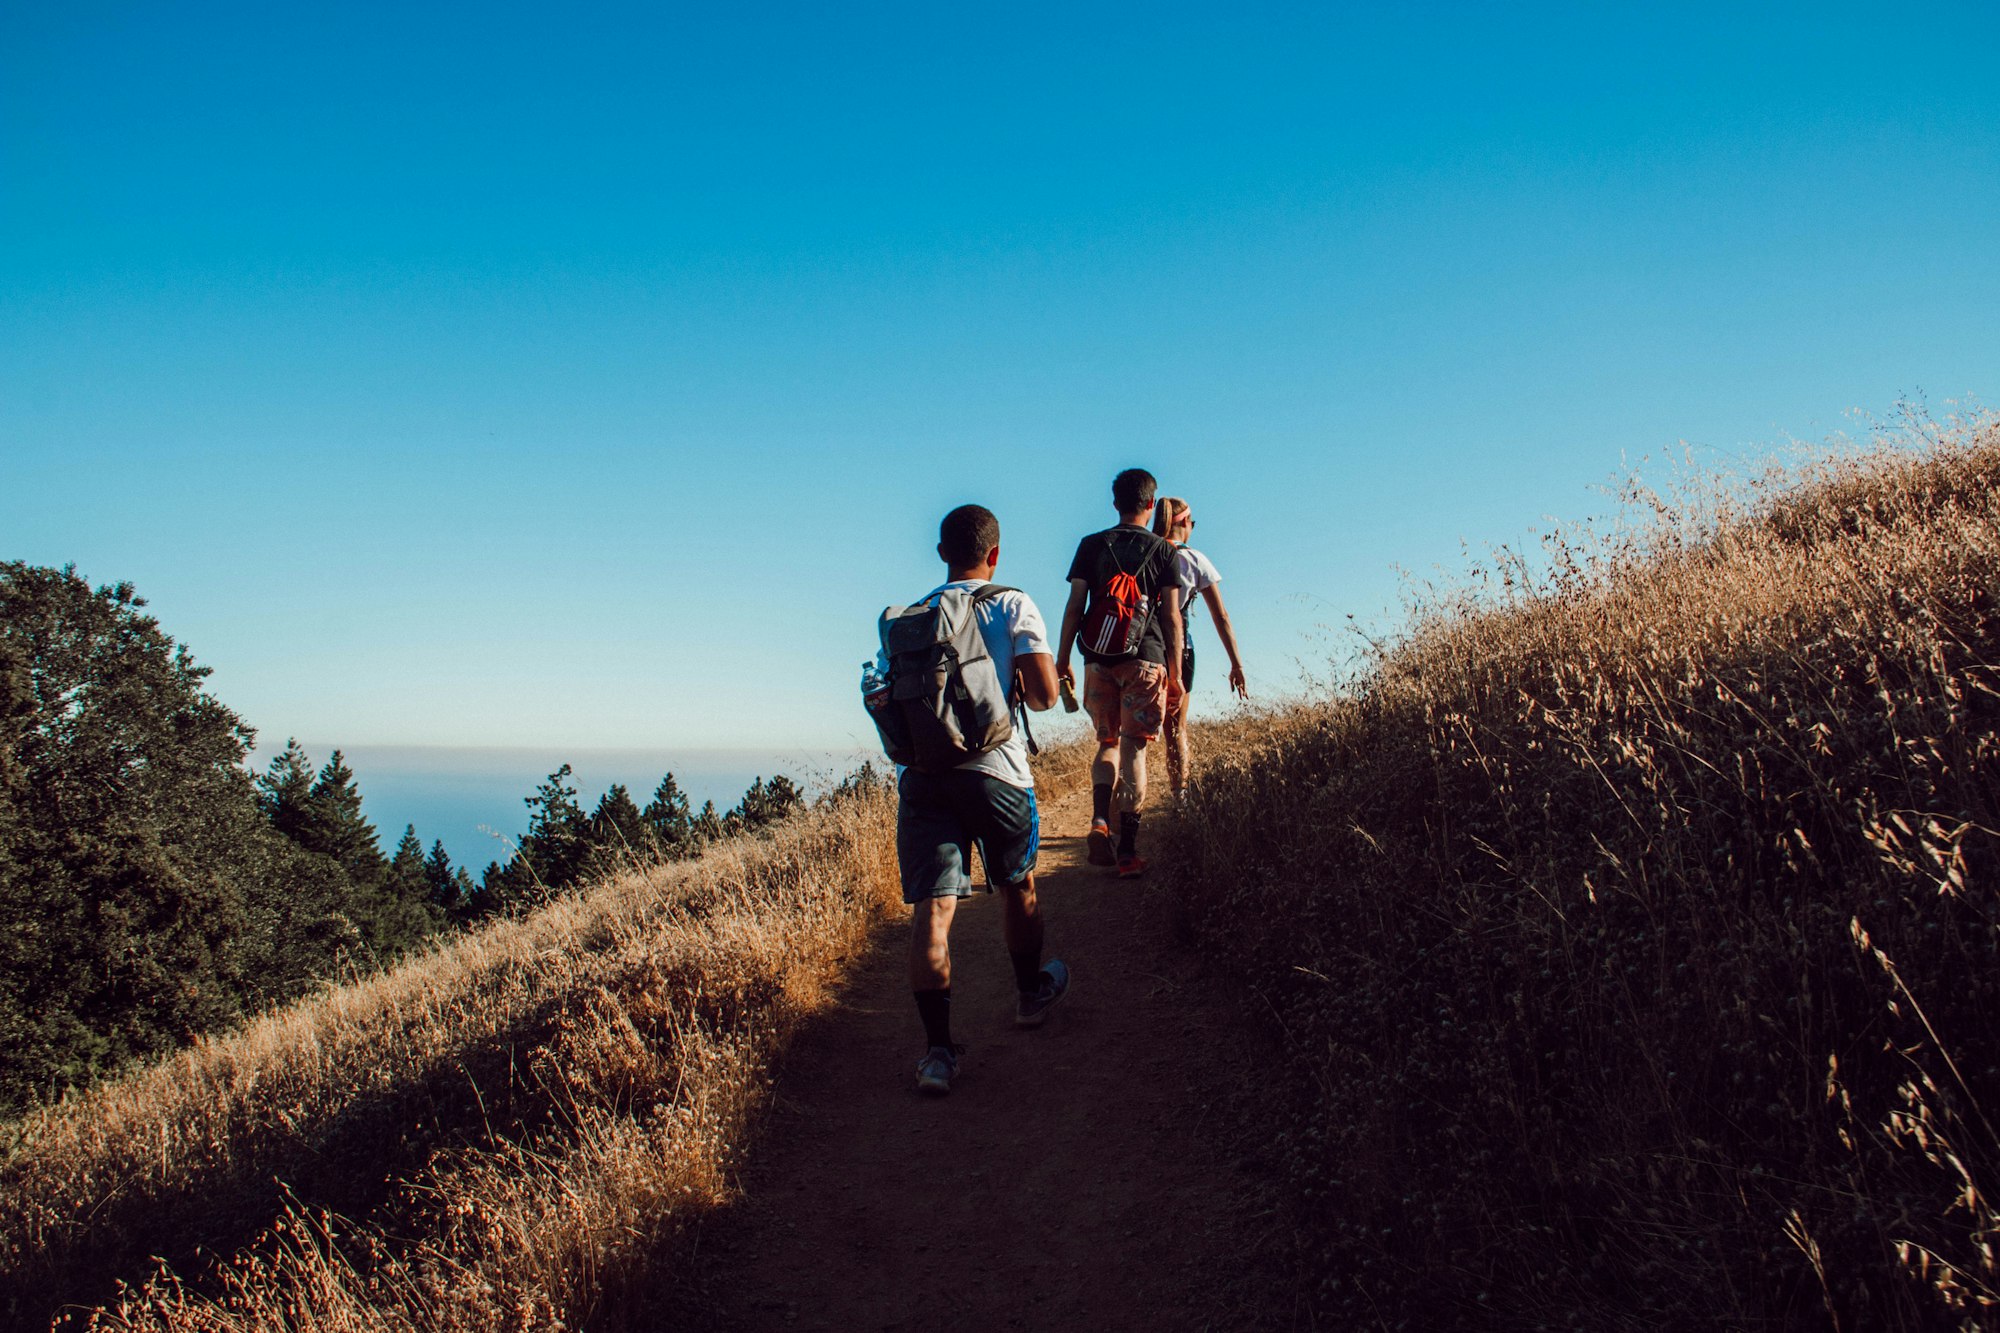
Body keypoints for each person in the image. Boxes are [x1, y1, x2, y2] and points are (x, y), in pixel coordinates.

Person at [879, 504, 1068, 1096]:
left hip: (927, 776)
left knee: (933, 914)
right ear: (995, 553)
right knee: (1018, 884)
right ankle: (1030, 994)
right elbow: (1041, 699)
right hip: (997, 773)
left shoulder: (910, 619)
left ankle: (937, 1055)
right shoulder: (1013, 602)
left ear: (941, 554)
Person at [1055, 468, 1183, 879]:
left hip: (1097, 660)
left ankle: (1098, 821)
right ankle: (1127, 852)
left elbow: (1075, 606)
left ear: (1115, 504)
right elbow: (1171, 618)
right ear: (1151, 504)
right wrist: (1176, 673)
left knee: (1106, 743)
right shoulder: (1166, 552)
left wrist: (1062, 660)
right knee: (1134, 750)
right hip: (1146, 661)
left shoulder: (1091, 545)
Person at [1152, 496, 1248, 802]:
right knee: (1175, 729)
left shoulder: (1146, 552)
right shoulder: (1194, 559)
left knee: (1132, 732)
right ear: (1183, 523)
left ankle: (1123, 805)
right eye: (1191, 523)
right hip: (1181, 650)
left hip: (1143, 649)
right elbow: (1221, 616)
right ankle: (1179, 798)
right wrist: (1237, 664)